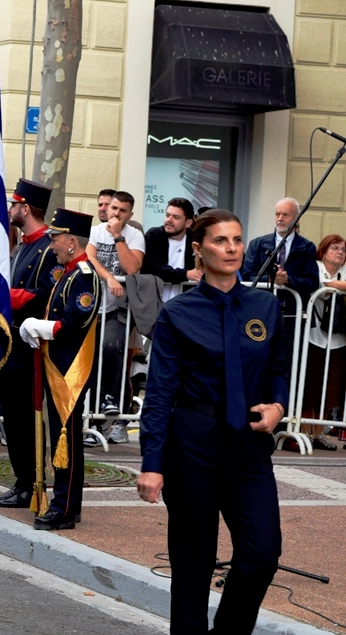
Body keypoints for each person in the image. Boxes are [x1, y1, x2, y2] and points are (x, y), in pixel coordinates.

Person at [138, 209, 287, 635]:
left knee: (261, 555)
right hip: (192, 448)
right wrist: (152, 462)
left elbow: (277, 368)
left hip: (249, 450)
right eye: (221, 241)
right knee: (193, 562)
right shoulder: (177, 314)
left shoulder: (265, 306)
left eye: (237, 240)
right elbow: (161, 392)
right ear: (199, 250)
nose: (232, 249)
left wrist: (277, 405)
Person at [19, 208, 100, 530]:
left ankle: (63, 508)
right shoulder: (68, 271)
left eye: (56, 238)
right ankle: (68, 504)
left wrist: (41, 327)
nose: (51, 243)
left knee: (66, 442)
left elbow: (74, 323)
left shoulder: (84, 276)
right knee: (63, 440)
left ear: (71, 241)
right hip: (58, 366)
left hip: (70, 371)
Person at [0, 178, 61, 508]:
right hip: (12, 341)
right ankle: (22, 478)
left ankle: (34, 481)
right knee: (13, 416)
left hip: (31, 344)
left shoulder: (50, 247)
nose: (10, 210)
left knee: (26, 416)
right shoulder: (21, 246)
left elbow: (49, 295)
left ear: (25, 208)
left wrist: (8, 297)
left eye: (14, 204)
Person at [86, 190, 145, 443]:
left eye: (122, 211)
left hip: (119, 309)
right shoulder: (96, 231)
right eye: (113, 209)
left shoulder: (134, 236)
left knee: (111, 349)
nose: (115, 213)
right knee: (93, 359)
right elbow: (88, 257)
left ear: (129, 215)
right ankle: (96, 420)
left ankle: (113, 405)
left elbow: (132, 267)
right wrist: (109, 277)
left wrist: (118, 236)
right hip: (92, 307)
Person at [241, 197, 320, 345]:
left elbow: (312, 282)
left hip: (291, 316)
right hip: (260, 312)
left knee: (288, 363)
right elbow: (247, 276)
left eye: (286, 215)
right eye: (277, 214)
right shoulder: (257, 244)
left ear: (297, 218)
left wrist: (288, 279)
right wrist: (269, 279)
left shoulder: (307, 247)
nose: (280, 218)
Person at [298, 234, 346, 451]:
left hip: (338, 339)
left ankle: (318, 434)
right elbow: (322, 286)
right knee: (311, 386)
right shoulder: (315, 267)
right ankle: (304, 431)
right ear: (323, 251)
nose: (340, 252)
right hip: (314, 336)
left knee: (330, 387)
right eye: (335, 248)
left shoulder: (345, 271)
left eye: (343, 250)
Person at [142, 197, 201, 302]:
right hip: (154, 302)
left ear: (188, 223)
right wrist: (186, 274)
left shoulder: (195, 240)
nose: (169, 220)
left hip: (185, 302)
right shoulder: (154, 235)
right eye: (167, 215)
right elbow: (151, 268)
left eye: (176, 217)